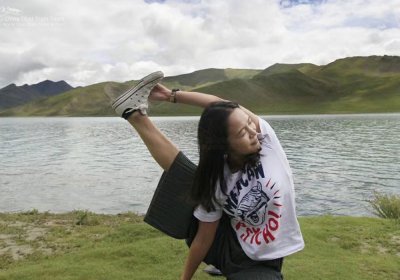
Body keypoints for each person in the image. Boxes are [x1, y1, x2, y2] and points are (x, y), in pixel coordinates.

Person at [110, 71, 305, 280]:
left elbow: (220, 104)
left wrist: (171, 95)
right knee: (193, 179)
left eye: (249, 122)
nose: (252, 132)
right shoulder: (217, 178)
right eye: (242, 132)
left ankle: (132, 113)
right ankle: (134, 115)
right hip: (228, 248)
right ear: (224, 145)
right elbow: (204, 237)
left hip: (262, 259)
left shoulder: (267, 144)